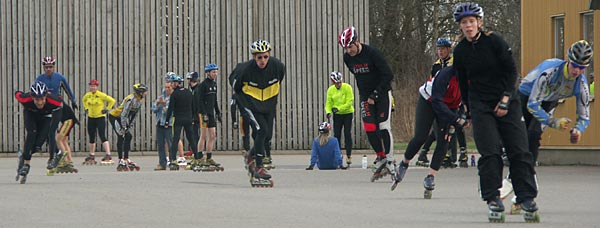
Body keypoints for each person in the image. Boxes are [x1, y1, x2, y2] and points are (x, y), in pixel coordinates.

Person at [452, 2, 539, 222]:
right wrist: (467, 109)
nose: (469, 26)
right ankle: (493, 197)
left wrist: (506, 98)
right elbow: (462, 80)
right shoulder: (460, 50)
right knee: (489, 151)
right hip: (480, 103)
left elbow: (512, 71)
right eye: (464, 23)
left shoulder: (494, 42)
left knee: (518, 150)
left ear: (479, 23)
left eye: (472, 21)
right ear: (460, 27)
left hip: (507, 99)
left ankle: (526, 197)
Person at [391, 66, 466, 198]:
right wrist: (455, 119)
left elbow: (467, 102)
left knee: (444, 140)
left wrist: (464, 116)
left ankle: (431, 176)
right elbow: (437, 102)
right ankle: (404, 164)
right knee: (421, 137)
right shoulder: (446, 74)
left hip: (449, 106)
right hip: (430, 100)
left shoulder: (472, 79)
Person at [519, 40, 592, 162]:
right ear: (568, 60)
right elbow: (533, 104)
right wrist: (553, 122)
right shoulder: (549, 72)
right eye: (574, 65)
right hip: (526, 94)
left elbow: (584, 116)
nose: (577, 71)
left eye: (582, 68)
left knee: (533, 135)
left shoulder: (581, 85)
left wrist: (577, 130)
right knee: (520, 135)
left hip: (549, 100)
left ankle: (526, 174)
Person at [339, 26, 395, 181]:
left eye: (350, 46)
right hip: (365, 96)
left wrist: (375, 94)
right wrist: (367, 96)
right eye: (345, 48)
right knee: (369, 127)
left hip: (382, 93)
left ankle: (391, 161)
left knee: (383, 126)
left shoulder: (373, 54)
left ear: (357, 42)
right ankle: (381, 157)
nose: (348, 50)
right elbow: (359, 76)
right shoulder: (347, 58)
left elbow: (388, 74)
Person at [233, 39, 285, 187]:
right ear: (254, 57)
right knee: (261, 131)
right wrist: (244, 103)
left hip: (268, 104)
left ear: (269, 55)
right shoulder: (244, 69)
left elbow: (278, 81)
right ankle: (259, 167)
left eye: (265, 57)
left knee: (267, 136)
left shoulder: (278, 67)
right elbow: (236, 87)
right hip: (250, 104)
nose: (262, 61)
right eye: (259, 57)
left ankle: (250, 156)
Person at [14, 81, 63, 183]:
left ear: (46, 96)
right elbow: (17, 93)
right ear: (32, 97)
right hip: (30, 114)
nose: (40, 102)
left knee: (38, 145)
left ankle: (24, 156)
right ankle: (26, 164)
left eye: (42, 99)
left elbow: (60, 106)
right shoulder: (25, 99)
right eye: (36, 99)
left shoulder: (54, 101)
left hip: (46, 117)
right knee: (32, 133)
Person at [36, 56, 77, 169]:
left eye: (50, 67)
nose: (48, 69)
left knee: (59, 137)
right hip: (47, 106)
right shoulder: (39, 78)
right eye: (46, 67)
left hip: (59, 106)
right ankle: (66, 161)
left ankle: (64, 160)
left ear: (54, 67)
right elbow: (35, 93)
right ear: (43, 68)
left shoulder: (59, 77)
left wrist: (73, 101)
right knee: (59, 138)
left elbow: (67, 89)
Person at [108, 83, 148, 171]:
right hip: (115, 116)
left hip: (123, 118)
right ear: (140, 92)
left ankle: (126, 158)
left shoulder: (139, 101)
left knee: (129, 136)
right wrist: (123, 126)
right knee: (121, 136)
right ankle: (120, 159)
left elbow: (134, 115)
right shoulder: (131, 99)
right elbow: (124, 114)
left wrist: (129, 126)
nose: (146, 94)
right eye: (145, 92)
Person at [165, 75, 199, 171]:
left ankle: (173, 160)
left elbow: (170, 109)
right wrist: (193, 118)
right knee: (191, 138)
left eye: (172, 83)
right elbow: (194, 106)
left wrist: (167, 121)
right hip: (188, 119)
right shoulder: (189, 92)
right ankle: (197, 158)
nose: (171, 84)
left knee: (175, 139)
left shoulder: (174, 94)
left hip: (178, 119)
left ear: (177, 83)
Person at [82, 79, 116, 165]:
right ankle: (92, 155)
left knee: (102, 135)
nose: (92, 88)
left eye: (94, 86)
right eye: (91, 86)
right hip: (91, 117)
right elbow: (84, 100)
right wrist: (86, 108)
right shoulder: (88, 95)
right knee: (91, 136)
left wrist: (107, 109)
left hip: (100, 117)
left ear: (97, 87)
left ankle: (108, 154)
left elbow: (112, 100)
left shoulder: (101, 95)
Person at [197, 64, 223, 171]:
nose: (215, 74)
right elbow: (200, 101)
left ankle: (208, 157)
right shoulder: (203, 85)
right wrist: (204, 114)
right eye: (213, 72)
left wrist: (218, 112)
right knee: (203, 136)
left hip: (211, 113)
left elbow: (215, 100)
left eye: (216, 72)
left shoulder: (214, 84)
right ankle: (199, 157)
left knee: (212, 135)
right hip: (204, 113)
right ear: (208, 73)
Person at [325, 71, 354, 167]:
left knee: (347, 133)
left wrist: (339, 108)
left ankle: (349, 155)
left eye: (339, 82)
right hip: (337, 115)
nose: (338, 85)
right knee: (337, 135)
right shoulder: (330, 90)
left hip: (347, 113)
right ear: (332, 82)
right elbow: (328, 102)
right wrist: (328, 111)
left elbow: (349, 102)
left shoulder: (347, 87)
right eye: (336, 83)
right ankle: (338, 155)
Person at [51, 103, 80, 175]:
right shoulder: (56, 101)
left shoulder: (55, 102)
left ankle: (65, 160)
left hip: (68, 121)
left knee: (58, 139)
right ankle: (69, 161)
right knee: (64, 141)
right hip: (68, 120)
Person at [152, 83, 174, 170]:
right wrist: (157, 104)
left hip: (168, 124)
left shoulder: (173, 98)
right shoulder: (161, 96)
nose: (167, 89)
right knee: (160, 144)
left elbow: (170, 112)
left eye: (169, 87)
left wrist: (164, 106)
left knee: (170, 143)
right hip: (159, 123)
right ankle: (162, 163)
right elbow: (154, 109)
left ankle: (172, 162)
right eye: (165, 87)